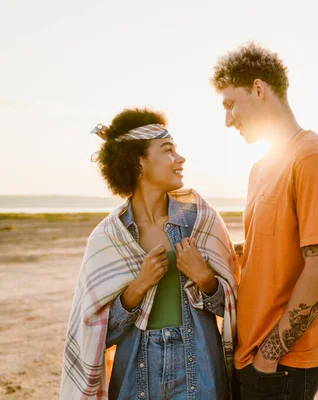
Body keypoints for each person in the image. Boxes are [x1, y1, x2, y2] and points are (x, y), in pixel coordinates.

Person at [60, 108, 239, 399]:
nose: (180, 159)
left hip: (200, 369)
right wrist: (138, 286)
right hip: (136, 374)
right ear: (139, 161)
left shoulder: (202, 222)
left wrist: (206, 280)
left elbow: (233, 310)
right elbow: (96, 335)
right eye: (168, 150)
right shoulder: (108, 237)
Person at [210, 43, 318, 400]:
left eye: (230, 104)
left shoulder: (312, 157)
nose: (228, 119)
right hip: (249, 350)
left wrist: (269, 357)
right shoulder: (260, 168)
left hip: (285, 359)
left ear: (259, 89)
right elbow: (273, 250)